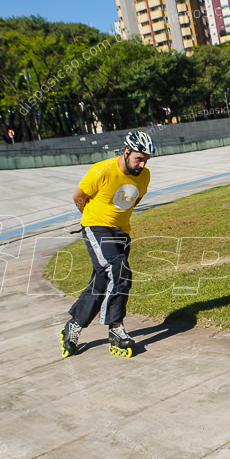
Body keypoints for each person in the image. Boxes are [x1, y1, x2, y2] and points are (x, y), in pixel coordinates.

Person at [59, 131, 155, 358]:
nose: (142, 164)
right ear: (127, 151)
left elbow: (135, 199)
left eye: (146, 160)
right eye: (138, 158)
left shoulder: (144, 176)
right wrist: (92, 218)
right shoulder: (101, 170)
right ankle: (115, 327)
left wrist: (118, 222)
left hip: (122, 231)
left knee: (102, 281)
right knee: (119, 270)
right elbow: (78, 197)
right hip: (97, 227)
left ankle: (73, 327)